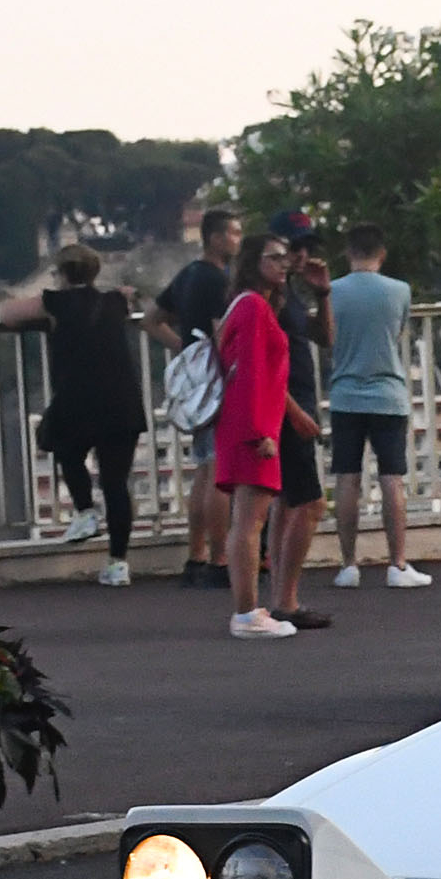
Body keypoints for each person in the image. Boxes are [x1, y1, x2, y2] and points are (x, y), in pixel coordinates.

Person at [0, 243, 147, 587]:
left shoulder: (55, 303)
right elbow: (133, 299)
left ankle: (84, 511)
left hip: (78, 398)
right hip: (122, 400)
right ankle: (117, 563)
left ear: (61, 274)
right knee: (115, 482)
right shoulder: (114, 301)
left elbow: (7, 313)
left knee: (63, 445)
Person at [324, 222, 429, 589]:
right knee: (392, 479)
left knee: (347, 478)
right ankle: (397, 564)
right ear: (381, 254)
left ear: (348, 252)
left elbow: (328, 338)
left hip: (345, 394)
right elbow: (400, 331)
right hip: (388, 393)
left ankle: (348, 564)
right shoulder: (399, 291)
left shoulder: (331, 292)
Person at [143, 207, 241, 588]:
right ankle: (219, 560)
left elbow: (150, 319)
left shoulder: (187, 275)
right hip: (218, 380)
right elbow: (223, 334)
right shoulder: (217, 281)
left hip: (196, 384)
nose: (237, 239)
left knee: (203, 467)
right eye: (233, 233)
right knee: (218, 469)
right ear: (215, 238)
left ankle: (196, 555)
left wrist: (184, 351)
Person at [214, 234, 305, 639]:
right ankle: (246, 612)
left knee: (248, 519)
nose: (283, 264)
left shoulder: (248, 305)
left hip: (249, 425)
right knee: (249, 521)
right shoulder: (253, 307)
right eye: (274, 258)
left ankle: (248, 609)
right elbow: (251, 371)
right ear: (254, 262)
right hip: (253, 428)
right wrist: (259, 432)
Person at [262, 209, 333, 629]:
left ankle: (280, 598)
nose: (304, 255)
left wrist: (323, 295)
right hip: (289, 405)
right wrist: (294, 410)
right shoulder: (270, 297)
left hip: (295, 401)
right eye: (296, 247)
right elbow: (264, 359)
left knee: (287, 503)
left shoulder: (290, 293)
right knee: (309, 503)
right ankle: (286, 601)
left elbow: (324, 338)